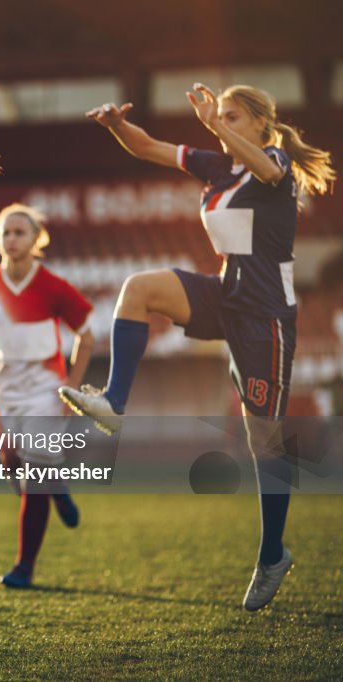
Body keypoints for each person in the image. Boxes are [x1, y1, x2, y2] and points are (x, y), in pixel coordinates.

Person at [60, 83, 335, 610]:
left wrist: (215, 124)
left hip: (266, 319)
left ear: (261, 124)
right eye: (221, 115)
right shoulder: (217, 167)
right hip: (225, 296)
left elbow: (271, 172)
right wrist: (116, 124)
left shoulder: (273, 163)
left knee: (264, 444)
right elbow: (148, 148)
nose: (223, 121)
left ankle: (273, 553)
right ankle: (113, 404)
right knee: (139, 288)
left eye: (234, 116)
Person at [0, 203, 94, 588]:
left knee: (34, 474)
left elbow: (86, 337)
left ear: (37, 239)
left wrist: (71, 386)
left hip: (46, 388)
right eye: (5, 232)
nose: (11, 239)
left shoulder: (55, 286)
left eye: (20, 231)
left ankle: (24, 567)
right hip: (4, 385)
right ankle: (59, 491)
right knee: (10, 464)